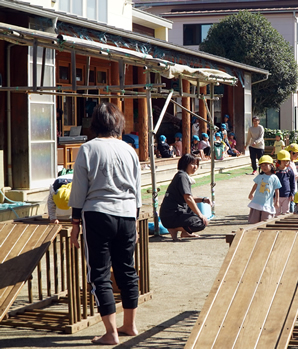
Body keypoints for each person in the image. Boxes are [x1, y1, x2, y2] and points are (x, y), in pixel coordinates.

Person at [68, 102, 142, 345]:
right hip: (128, 213)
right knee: (126, 269)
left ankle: (111, 334)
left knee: (99, 274)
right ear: (118, 123)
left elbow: (79, 190)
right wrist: (136, 218)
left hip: (98, 214)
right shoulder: (129, 149)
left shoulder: (87, 149)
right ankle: (130, 325)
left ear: (95, 123)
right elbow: (137, 189)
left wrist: (75, 223)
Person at [160, 153, 210, 242]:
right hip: (171, 215)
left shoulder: (183, 176)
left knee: (192, 209)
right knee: (200, 223)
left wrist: (203, 200)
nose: (195, 167)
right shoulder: (182, 176)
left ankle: (185, 232)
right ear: (185, 164)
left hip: (172, 214)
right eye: (192, 164)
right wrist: (200, 215)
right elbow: (188, 198)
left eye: (196, 164)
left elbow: (188, 197)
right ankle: (174, 229)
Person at [247, 155, 281, 223]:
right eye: (261, 165)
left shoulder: (274, 177)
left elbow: (277, 190)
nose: (263, 167)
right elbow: (255, 185)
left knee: (266, 221)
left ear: (271, 165)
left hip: (267, 203)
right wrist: (251, 193)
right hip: (257, 202)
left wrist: (277, 201)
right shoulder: (259, 176)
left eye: (265, 165)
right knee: (254, 221)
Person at [274, 150, 295, 216]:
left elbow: (292, 182)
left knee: (285, 212)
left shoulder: (289, 170)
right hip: (276, 196)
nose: (285, 162)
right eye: (283, 161)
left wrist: (292, 193)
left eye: (287, 161)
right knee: (276, 212)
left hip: (286, 195)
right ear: (279, 161)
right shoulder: (275, 171)